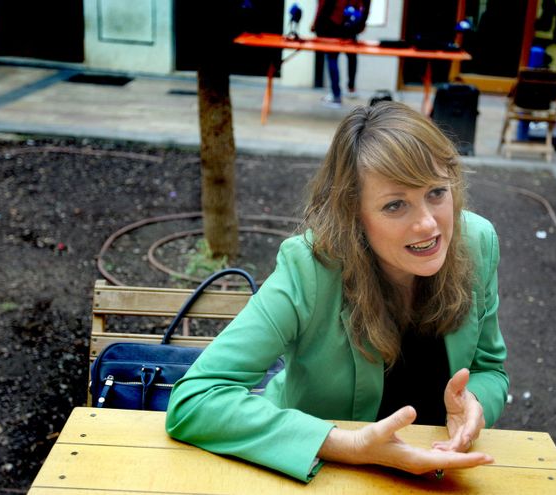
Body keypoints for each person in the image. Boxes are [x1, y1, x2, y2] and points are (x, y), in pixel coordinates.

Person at [166, 101, 509, 482]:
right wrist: (348, 445)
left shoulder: (477, 242)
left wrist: (474, 403)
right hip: (330, 476)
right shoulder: (309, 267)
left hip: (445, 475)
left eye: (437, 192)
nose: (428, 224)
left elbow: (489, 369)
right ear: (353, 214)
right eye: (395, 205)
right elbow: (195, 398)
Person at [311, 0, 371, 108]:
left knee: (332, 57)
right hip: (351, 22)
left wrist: (316, 24)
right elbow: (366, 4)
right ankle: (351, 88)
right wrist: (362, 23)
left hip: (335, 23)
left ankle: (336, 95)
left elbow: (322, 4)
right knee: (351, 55)